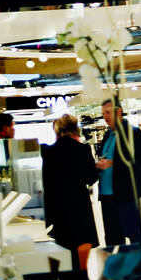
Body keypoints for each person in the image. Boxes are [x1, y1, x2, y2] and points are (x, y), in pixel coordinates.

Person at [41, 113, 99, 269]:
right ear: (76, 129)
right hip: (79, 205)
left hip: (59, 206)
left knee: (64, 247)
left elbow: (47, 183)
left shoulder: (49, 152)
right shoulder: (82, 149)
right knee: (82, 244)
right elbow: (91, 178)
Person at [96, 99, 141, 247]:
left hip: (125, 196)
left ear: (119, 112)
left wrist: (112, 163)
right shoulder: (107, 136)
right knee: (112, 241)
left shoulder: (133, 134)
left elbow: (137, 163)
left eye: (108, 112)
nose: (105, 116)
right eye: (103, 114)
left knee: (135, 238)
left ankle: (138, 268)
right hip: (107, 197)